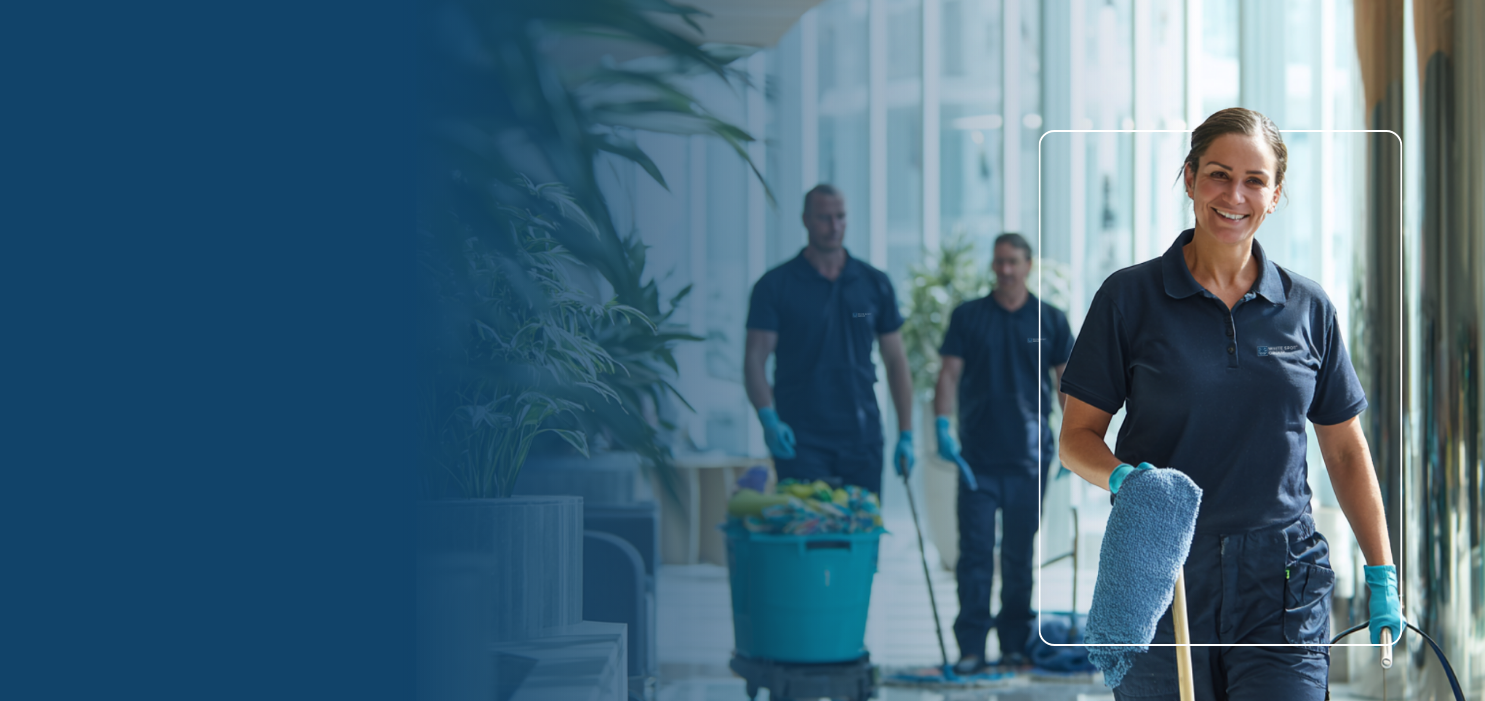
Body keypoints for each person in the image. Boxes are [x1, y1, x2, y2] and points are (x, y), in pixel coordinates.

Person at [1057, 107, 1401, 699]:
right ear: (1189, 178)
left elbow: (1344, 451)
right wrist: (1124, 480)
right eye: (1218, 174)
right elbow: (1075, 438)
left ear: (1275, 194)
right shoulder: (1128, 298)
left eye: (1254, 180)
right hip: (1162, 571)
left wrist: (1382, 571)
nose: (1234, 194)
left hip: (1282, 582)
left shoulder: (1308, 308)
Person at [933, 233, 1075, 673]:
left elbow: (1065, 384)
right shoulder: (968, 317)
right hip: (976, 459)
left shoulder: (1049, 320)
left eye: (1013, 262)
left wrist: (1077, 439)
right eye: (999, 262)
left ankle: (1014, 643)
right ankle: (971, 648)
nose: (1005, 270)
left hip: (1030, 460)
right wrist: (942, 424)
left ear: (1028, 265)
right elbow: (948, 376)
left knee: (1018, 557)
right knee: (974, 556)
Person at [743, 184, 915, 495]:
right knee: (808, 536)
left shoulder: (874, 284)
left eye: (841, 217)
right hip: (800, 439)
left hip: (862, 437)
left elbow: (896, 361)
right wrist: (768, 418)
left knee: (861, 535)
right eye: (824, 218)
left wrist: (906, 432)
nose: (834, 227)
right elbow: (755, 359)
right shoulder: (775, 286)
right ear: (806, 220)